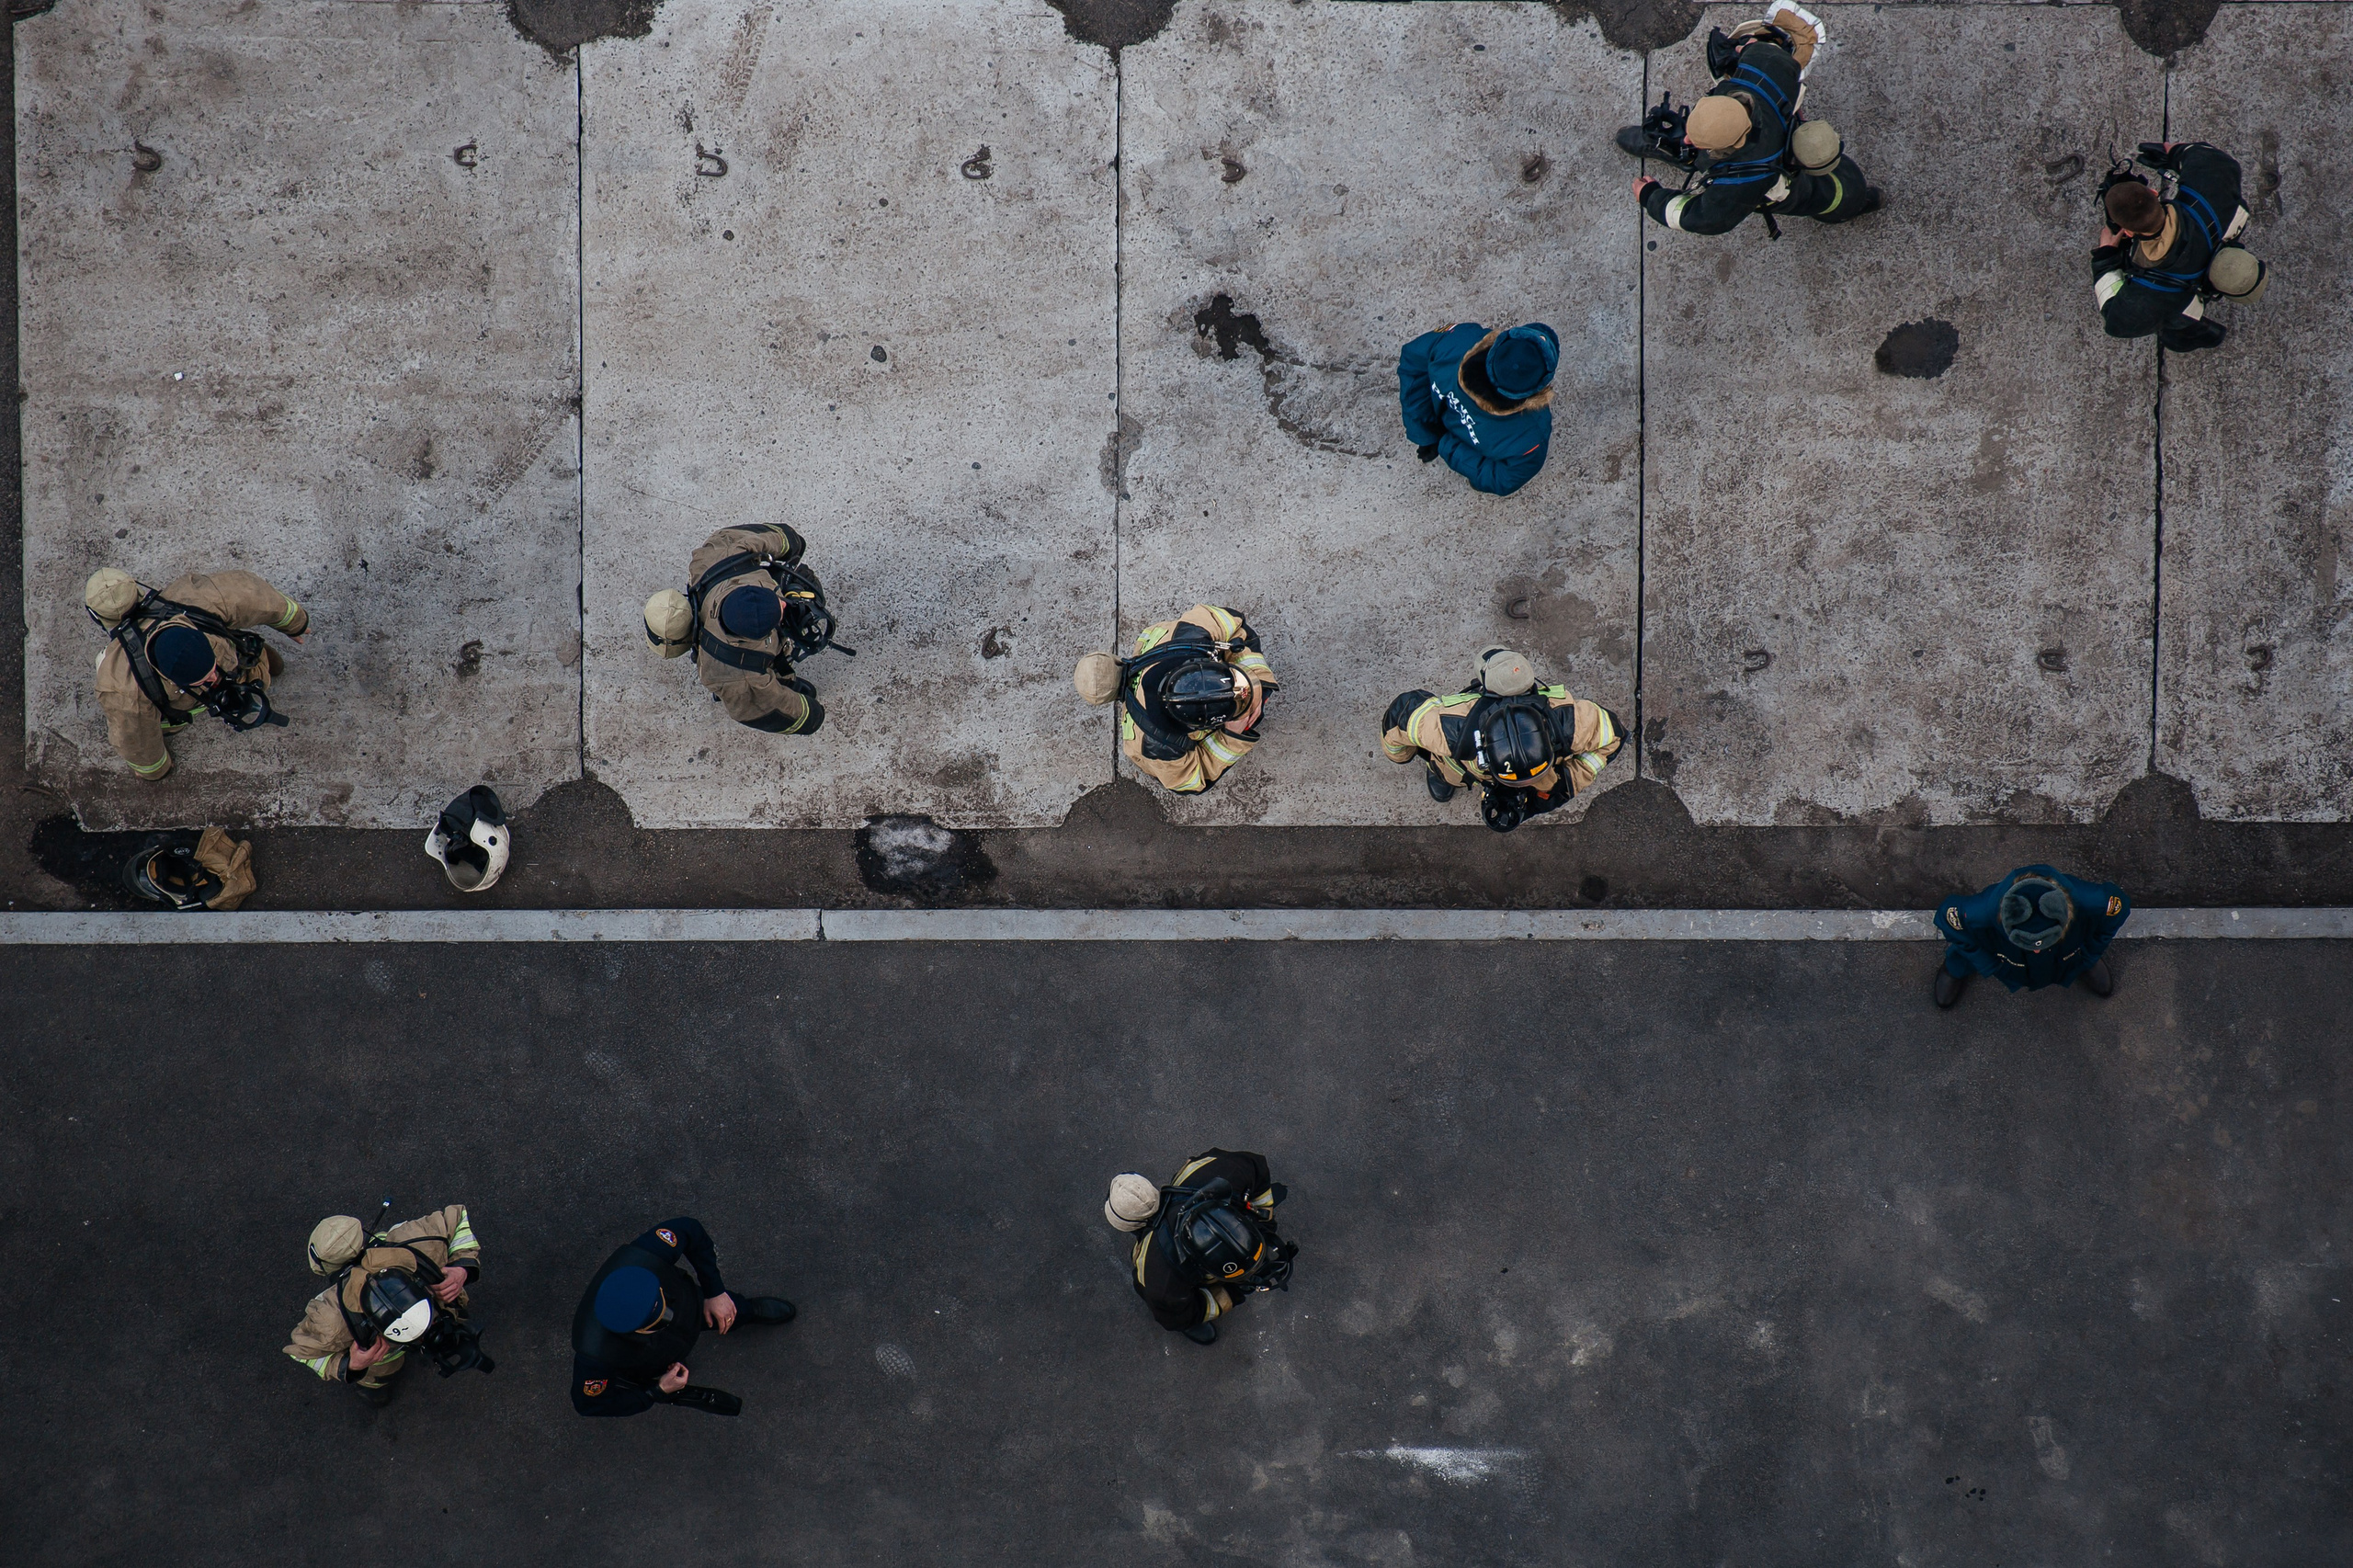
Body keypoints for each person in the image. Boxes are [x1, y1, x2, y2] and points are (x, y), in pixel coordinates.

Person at [1629, 5, 1880, 237]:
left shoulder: (1744, 181)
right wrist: (1748, 46)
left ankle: (1859, 206)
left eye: (1695, 139)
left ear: (1735, 143)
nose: (1686, 137)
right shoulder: (1764, 69)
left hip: (1835, 201)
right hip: (1832, 167)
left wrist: (1651, 197)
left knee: (1836, 204)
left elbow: (1705, 218)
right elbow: (1767, 51)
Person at [84, 565, 309, 781]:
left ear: (96, 617)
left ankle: (265, 666)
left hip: (180, 706)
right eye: (204, 679)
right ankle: (268, 666)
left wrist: (155, 771)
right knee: (260, 662)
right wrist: (296, 624)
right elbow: (252, 594)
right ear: (136, 588)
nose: (213, 680)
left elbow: (135, 738)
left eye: (210, 672)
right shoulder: (198, 597)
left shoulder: (119, 680)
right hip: (235, 678)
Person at [571, 1217, 796, 1418]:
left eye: (662, 1304)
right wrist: (655, 1391)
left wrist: (714, 1291)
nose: (668, 1314)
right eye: (659, 1320)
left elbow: (688, 1229)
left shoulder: (643, 1257)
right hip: (650, 1357)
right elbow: (590, 1405)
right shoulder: (595, 1355)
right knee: (671, 1376)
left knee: (732, 1309)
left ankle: (746, 1312)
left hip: (693, 1305)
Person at [1381, 647, 1624, 832]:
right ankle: (1444, 776)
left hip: (1464, 768)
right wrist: (1566, 782)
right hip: (1542, 778)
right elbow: (1614, 735)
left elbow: (1402, 713)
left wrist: (1400, 755)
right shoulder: (1571, 721)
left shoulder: (1451, 728)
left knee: (1446, 769)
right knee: (1448, 771)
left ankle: (1443, 776)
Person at [643, 522, 840, 736]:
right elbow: (787, 715)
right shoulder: (732, 675)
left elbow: (788, 539)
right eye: (782, 609)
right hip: (743, 659)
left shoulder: (716, 554)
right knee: (788, 691)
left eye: (778, 600)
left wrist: (795, 547)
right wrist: (812, 714)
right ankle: (779, 674)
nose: (785, 603)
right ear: (758, 635)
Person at [283, 1204, 481, 1406]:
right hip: (444, 1312)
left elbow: (301, 1352)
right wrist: (461, 1269)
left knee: (378, 1377)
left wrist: (351, 1365)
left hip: (385, 1356)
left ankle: (375, 1393)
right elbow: (458, 1219)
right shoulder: (419, 1239)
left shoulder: (330, 1317)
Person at [1074, 605, 1275, 794]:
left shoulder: (1141, 744)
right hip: (1235, 675)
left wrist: (1231, 736)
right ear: (1114, 659)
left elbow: (1191, 781)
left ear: (1105, 701)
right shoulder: (1157, 637)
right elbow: (1229, 620)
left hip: (1232, 706)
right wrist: (1256, 677)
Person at [1104, 1152, 1292, 1346]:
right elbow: (1256, 1166)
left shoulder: (1153, 1270)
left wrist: (1233, 1293)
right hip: (1249, 1235)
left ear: (1128, 1226)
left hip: (1212, 1277)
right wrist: (1264, 1224)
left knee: (1178, 1312)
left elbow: (1174, 1318)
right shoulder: (1210, 1169)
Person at [2093, 141, 2264, 354]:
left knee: (2174, 324)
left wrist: (2105, 258)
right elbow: (2217, 162)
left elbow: (2115, 321)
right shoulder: (2209, 187)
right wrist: (2175, 153)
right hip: (2223, 242)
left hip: (2181, 297)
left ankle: (2191, 334)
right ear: (2154, 193)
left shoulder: (2150, 294)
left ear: (2126, 231)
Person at [1935, 865, 2131, 1009]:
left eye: (2043, 942)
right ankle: (1956, 968)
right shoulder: (1975, 912)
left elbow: (2114, 916)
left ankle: (2084, 964)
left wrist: (2089, 953)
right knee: (1966, 950)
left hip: (2069, 942)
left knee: (2079, 951)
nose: (2037, 950)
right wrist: (1987, 964)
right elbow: (1953, 925)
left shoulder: (2096, 902)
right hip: (1999, 943)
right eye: (2030, 944)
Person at [1396, 321, 1557, 496]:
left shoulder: (1459, 340)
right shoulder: (1531, 435)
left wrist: (1424, 433)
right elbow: (1501, 480)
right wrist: (1449, 447)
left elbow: (1413, 362)